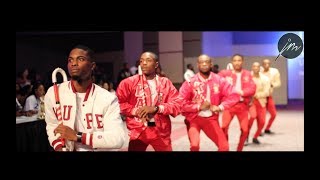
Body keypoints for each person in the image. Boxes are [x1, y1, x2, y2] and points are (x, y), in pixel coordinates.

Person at [44, 45, 126, 151]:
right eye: (70, 60)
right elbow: (52, 126)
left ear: (92, 66)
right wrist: (59, 147)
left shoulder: (108, 99)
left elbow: (117, 139)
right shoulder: (53, 93)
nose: (73, 63)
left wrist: (77, 136)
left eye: (80, 59)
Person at [116, 51, 181, 151]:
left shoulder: (165, 83)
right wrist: (137, 111)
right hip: (138, 131)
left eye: (148, 60)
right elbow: (119, 104)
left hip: (161, 131)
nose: (144, 63)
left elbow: (177, 104)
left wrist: (157, 109)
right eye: (141, 61)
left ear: (156, 64)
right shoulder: (128, 83)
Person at [179, 54, 240, 151]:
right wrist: (199, 107)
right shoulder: (190, 81)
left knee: (224, 147)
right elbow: (180, 103)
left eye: (206, 62)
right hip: (194, 119)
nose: (204, 64)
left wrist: (220, 107)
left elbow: (234, 95)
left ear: (211, 64)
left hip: (211, 119)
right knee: (194, 146)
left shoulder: (219, 80)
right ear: (198, 65)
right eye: (201, 62)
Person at [218, 54, 256, 151]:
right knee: (223, 127)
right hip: (229, 105)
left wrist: (241, 92)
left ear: (242, 61)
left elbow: (252, 88)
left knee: (245, 130)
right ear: (232, 62)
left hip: (242, 106)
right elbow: (216, 82)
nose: (237, 62)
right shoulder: (225, 74)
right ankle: (225, 148)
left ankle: (240, 149)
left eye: (239, 60)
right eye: (235, 60)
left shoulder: (247, 74)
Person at [248, 62, 270, 144]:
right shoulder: (248, 77)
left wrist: (257, 95)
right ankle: (245, 135)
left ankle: (255, 136)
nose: (256, 68)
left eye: (257, 66)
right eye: (254, 66)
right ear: (252, 67)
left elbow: (267, 92)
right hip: (251, 102)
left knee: (262, 122)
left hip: (261, 101)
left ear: (259, 68)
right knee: (252, 116)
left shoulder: (265, 79)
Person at [261, 59, 281, 134]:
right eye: (265, 64)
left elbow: (278, 83)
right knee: (261, 117)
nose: (266, 65)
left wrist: (271, 84)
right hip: (260, 97)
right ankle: (259, 131)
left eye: (268, 63)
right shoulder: (259, 73)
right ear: (262, 64)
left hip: (268, 96)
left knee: (273, 114)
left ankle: (267, 128)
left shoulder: (274, 72)